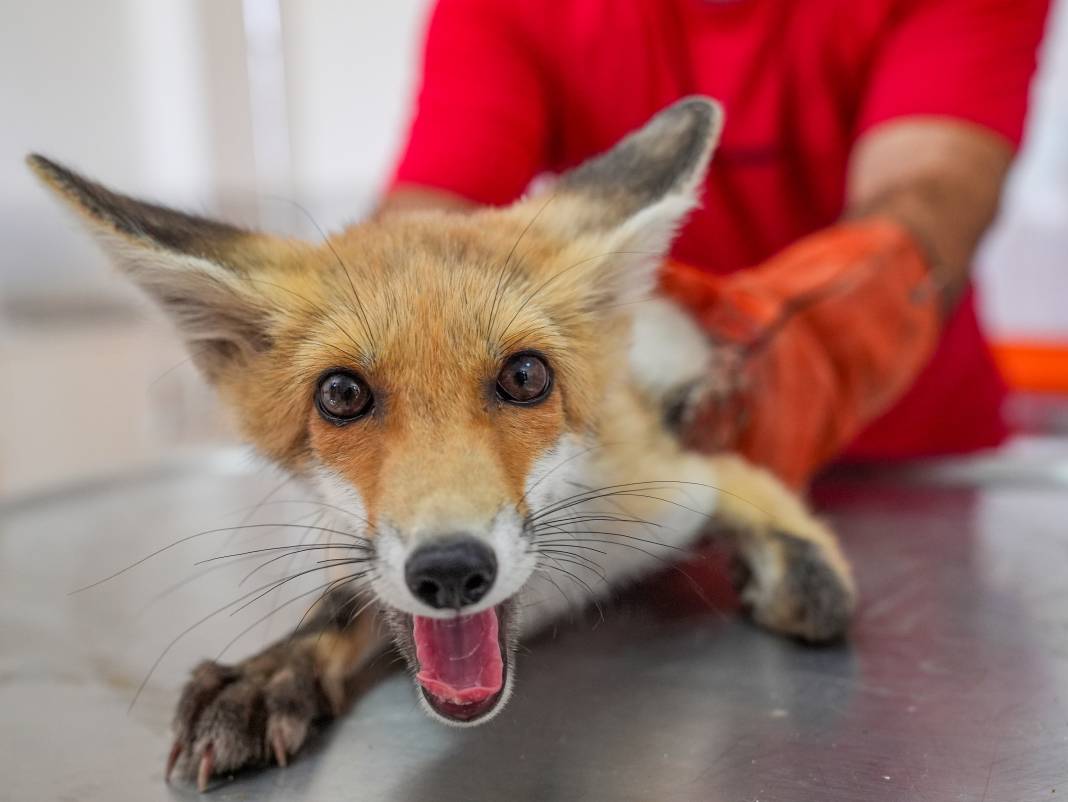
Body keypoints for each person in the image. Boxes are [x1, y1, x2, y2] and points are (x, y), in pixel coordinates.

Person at [380, 0, 1050, 487]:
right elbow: (428, 226)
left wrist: (754, 361)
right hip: (646, 467)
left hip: (907, 473)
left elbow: (929, 199)